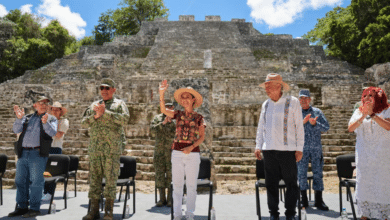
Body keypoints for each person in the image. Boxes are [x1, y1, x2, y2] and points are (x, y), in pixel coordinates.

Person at [254, 73, 304, 220]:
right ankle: (273, 214)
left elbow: (299, 125)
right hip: (268, 150)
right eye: (266, 86)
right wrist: (258, 145)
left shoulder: (292, 102)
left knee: (291, 183)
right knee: (271, 184)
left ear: (279, 86)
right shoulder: (266, 104)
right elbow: (261, 126)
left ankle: (290, 214)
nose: (266, 89)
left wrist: (299, 147)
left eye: (269, 86)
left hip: (288, 150)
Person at [81, 78, 130, 220]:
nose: (104, 90)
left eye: (107, 88)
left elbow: (125, 120)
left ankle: (108, 212)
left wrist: (106, 113)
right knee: (95, 180)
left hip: (112, 149)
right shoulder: (94, 105)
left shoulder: (119, 104)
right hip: (95, 149)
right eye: (102, 88)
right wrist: (96, 116)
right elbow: (83, 123)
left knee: (110, 180)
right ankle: (94, 211)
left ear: (114, 90)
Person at [159, 79, 206, 220]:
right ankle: (177, 215)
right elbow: (163, 110)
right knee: (177, 186)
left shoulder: (199, 118)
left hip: (193, 154)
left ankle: (190, 214)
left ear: (193, 100)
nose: (185, 100)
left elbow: (202, 137)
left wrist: (191, 147)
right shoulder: (177, 114)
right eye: (183, 97)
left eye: (188, 97)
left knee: (191, 187)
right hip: (177, 153)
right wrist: (162, 94)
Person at [9, 94, 58, 218]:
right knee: (20, 181)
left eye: (45, 103)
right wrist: (19, 119)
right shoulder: (27, 117)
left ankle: (35, 208)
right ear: (34, 105)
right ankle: (22, 207)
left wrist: (46, 123)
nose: (43, 105)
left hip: (37, 154)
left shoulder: (51, 118)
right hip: (23, 153)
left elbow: (52, 132)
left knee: (36, 182)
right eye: (40, 103)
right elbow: (15, 130)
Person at [348, 87, 390, 220]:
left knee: (382, 189)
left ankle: (383, 216)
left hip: (382, 159)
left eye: (370, 95)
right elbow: (350, 128)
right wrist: (363, 115)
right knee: (364, 189)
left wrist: (373, 114)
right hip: (364, 159)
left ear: (379, 97)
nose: (366, 98)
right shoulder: (358, 111)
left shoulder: (387, 110)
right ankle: (364, 216)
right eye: (365, 95)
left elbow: (388, 126)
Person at [297, 89, 330, 210]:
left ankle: (318, 200)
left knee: (318, 174)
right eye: (301, 98)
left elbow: (326, 127)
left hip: (316, 148)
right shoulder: (295, 112)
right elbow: (291, 130)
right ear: (299, 100)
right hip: (301, 149)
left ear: (310, 99)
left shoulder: (317, 112)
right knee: (301, 174)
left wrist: (315, 124)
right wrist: (303, 122)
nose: (303, 101)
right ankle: (303, 200)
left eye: (306, 98)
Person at [42, 101, 69, 201]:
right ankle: (45, 192)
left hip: (56, 148)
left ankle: (50, 193)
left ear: (61, 111)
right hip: (46, 147)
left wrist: (48, 130)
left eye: (57, 110)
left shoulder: (63, 121)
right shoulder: (48, 119)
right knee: (45, 171)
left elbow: (58, 135)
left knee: (53, 171)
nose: (55, 111)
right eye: (53, 109)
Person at [151, 102, 176, 207]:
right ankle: (162, 198)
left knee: (171, 175)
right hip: (160, 152)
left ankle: (170, 198)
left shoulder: (176, 120)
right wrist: (164, 123)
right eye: (166, 107)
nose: (168, 108)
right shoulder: (157, 118)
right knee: (160, 174)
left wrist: (172, 122)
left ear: (173, 108)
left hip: (172, 152)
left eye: (170, 107)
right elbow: (152, 131)